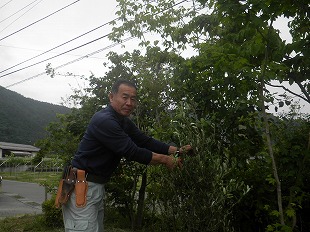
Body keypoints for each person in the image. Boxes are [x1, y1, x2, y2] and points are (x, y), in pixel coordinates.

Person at [62, 79, 192, 232]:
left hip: (92, 187)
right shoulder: (105, 120)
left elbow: (145, 141)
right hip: (82, 187)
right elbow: (132, 151)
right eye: (125, 97)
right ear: (111, 97)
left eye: (133, 99)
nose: (129, 103)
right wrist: (165, 160)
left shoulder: (122, 121)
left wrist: (177, 151)